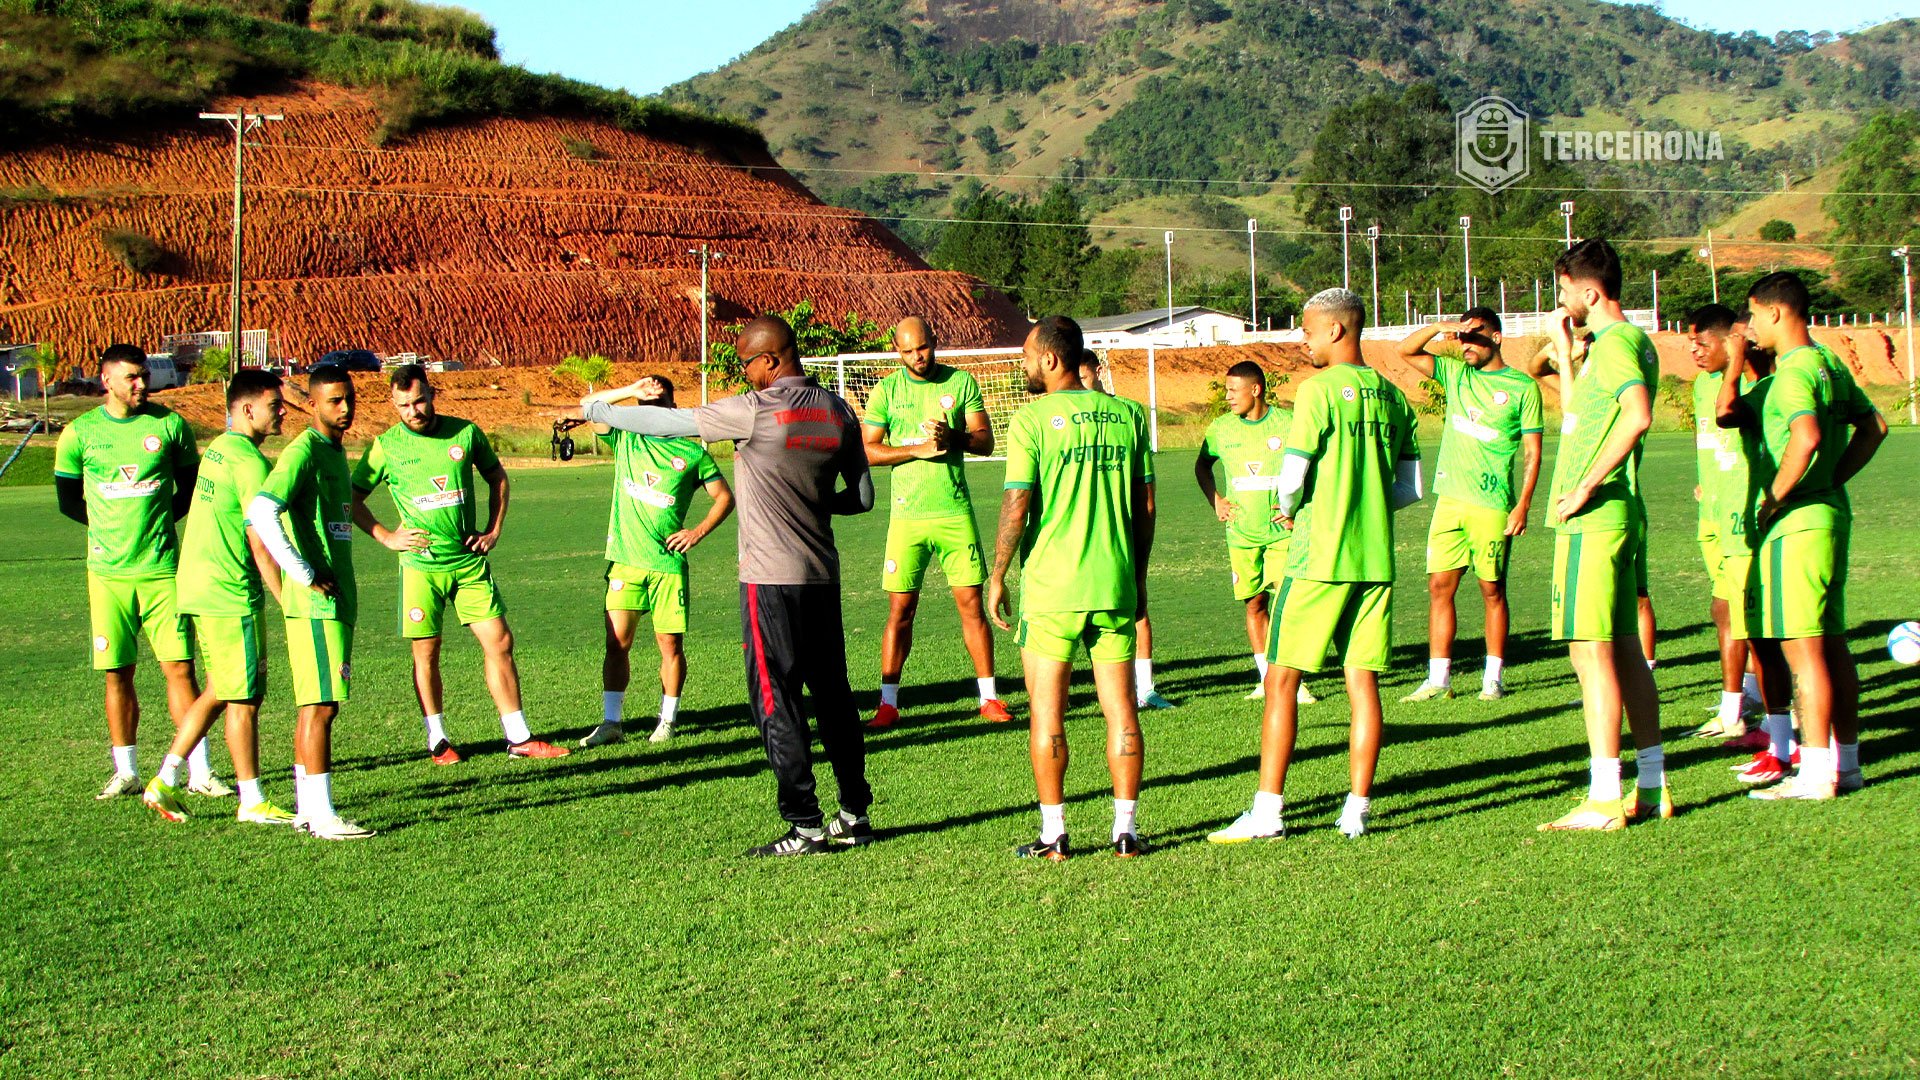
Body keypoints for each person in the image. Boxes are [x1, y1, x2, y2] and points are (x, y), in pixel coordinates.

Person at [584, 315, 875, 856]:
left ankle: (805, 825)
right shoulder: (838, 411)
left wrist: (600, 409)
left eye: (745, 361)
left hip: (768, 581)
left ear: (771, 360)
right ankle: (855, 813)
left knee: (775, 699)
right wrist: (813, 503)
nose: (743, 371)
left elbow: (673, 425)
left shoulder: (755, 409)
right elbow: (861, 498)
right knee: (834, 697)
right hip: (821, 577)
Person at [1209, 288, 1420, 844]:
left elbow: (1294, 473)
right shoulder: (1396, 397)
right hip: (1375, 558)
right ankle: (1356, 811)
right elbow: (1410, 488)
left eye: (1306, 330)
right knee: (1363, 683)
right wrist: (1364, 506)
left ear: (1334, 330)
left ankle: (1268, 813)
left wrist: (1288, 510)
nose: (1302, 339)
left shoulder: (1318, 391)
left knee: (1280, 679)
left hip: (1317, 555)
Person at [989, 317, 1154, 860]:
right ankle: (1124, 831)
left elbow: (1017, 503)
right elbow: (1146, 508)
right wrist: (1139, 576)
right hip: (1114, 583)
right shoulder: (1129, 415)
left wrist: (996, 574)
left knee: (1047, 715)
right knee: (1122, 711)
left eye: (1028, 357)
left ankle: (1054, 834)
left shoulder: (1032, 419)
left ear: (1051, 360)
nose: (1025, 366)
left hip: (1053, 589)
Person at [350, 365, 570, 762]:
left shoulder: (464, 433)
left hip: (468, 563)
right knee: (426, 651)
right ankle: (438, 740)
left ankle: (518, 738)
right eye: (403, 405)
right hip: (420, 567)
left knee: (500, 642)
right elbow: (351, 496)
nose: (412, 410)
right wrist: (386, 536)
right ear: (393, 405)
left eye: (418, 400)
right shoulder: (385, 446)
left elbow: (496, 476)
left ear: (432, 393)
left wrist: (493, 530)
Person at [53, 344, 224, 800]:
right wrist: (109, 526)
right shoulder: (79, 433)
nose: (141, 384)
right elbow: (68, 499)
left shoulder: (170, 426)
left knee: (180, 670)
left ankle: (200, 770)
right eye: (131, 377)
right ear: (106, 380)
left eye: (144, 375)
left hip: (163, 570)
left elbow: (188, 489)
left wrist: (158, 523)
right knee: (117, 673)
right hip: (107, 574)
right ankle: (125, 771)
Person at [1738, 272, 1885, 800]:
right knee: (1833, 645)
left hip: (1796, 524)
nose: (1751, 325)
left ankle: (1816, 772)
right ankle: (1846, 765)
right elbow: (1875, 428)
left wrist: (1776, 495)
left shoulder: (1796, 370)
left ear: (1776, 312)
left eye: (1754, 313)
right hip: (1828, 513)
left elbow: (1806, 436)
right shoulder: (1829, 362)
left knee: (1803, 651)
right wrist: (1832, 479)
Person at [1537, 238, 1668, 832]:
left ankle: (1603, 796)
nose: (1561, 300)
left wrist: (1586, 486)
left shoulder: (1614, 346)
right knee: (1622, 652)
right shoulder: (1628, 343)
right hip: (1621, 516)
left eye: (1564, 289)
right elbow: (1581, 418)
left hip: (1595, 518)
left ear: (1590, 291)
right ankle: (1651, 783)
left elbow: (1637, 416)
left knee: (1588, 654)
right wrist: (1566, 356)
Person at [142, 371, 296, 824]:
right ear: (248, 409)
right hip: (230, 593)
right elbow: (260, 540)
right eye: (274, 404)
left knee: (220, 688)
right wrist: (288, 600)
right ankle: (251, 801)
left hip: (198, 586)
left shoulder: (218, 449)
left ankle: (165, 779)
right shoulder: (248, 462)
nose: (282, 411)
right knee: (245, 697)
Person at [860, 316, 1012, 728]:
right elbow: (869, 451)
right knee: (900, 611)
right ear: (898, 351)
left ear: (934, 342)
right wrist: (919, 449)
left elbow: (985, 441)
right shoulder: (888, 389)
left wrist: (953, 438)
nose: (917, 357)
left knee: (971, 607)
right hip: (906, 518)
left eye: (922, 348)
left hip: (954, 512)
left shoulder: (960, 383)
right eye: (908, 351)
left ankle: (989, 699)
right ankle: (888, 704)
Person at [247, 365, 370, 840]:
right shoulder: (304, 450)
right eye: (335, 401)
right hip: (316, 605)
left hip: (333, 603)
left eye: (349, 398)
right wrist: (302, 572)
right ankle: (321, 814)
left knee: (315, 706)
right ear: (313, 404)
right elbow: (261, 510)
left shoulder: (333, 450)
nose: (345, 407)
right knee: (321, 707)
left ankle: (305, 807)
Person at [577, 374, 733, 747]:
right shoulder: (625, 438)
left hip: (666, 567)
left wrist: (696, 532)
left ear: (673, 411)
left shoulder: (693, 453)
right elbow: (590, 408)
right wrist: (632, 391)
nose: (648, 418)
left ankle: (667, 720)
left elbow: (724, 497)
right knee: (616, 644)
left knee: (670, 646)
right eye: (642, 411)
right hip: (626, 562)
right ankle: (611, 722)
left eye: (656, 410)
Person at [1396, 308, 1542, 702]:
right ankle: (1438, 680)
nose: (1466, 345)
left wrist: (1523, 503)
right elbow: (1406, 351)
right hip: (1450, 501)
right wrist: (1442, 328)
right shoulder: (1455, 373)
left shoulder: (1522, 388)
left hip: (1492, 504)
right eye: (1462, 338)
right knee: (1439, 587)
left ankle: (1492, 678)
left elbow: (1532, 452)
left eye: (1475, 336)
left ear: (1497, 337)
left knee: (1491, 589)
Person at [1707, 322, 1799, 786]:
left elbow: (1726, 411)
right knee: (1749, 629)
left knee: (1772, 640)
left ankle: (1789, 743)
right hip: (1738, 526)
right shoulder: (1769, 385)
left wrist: (1736, 359)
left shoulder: (1772, 388)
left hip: (1758, 528)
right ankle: (1777, 736)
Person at [1193, 361, 1317, 704]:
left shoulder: (1289, 424)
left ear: (1256, 389)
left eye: (1234, 390)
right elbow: (1202, 465)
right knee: (1254, 604)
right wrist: (1215, 499)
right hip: (1241, 534)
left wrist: (1298, 509)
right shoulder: (1221, 429)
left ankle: (1293, 679)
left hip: (1281, 534)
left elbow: (1313, 466)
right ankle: (1266, 678)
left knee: (1286, 606)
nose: (1228, 397)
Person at [1683, 305, 1766, 738]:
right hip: (1712, 511)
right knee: (1723, 609)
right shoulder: (1702, 385)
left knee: (1744, 612)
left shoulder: (1755, 380)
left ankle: (1751, 709)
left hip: (1744, 513)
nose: (1694, 351)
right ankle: (1738, 704)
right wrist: (1705, 482)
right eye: (1690, 344)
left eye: (1702, 343)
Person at [1074, 350, 1174, 710]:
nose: (1081, 388)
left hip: (1123, 526)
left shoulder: (1129, 413)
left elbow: (1143, 480)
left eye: (1084, 379)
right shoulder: (1070, 416)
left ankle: (1145, 688)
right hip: (1084, 531)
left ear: (1098, 372)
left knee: (1137, 606)